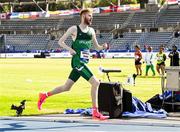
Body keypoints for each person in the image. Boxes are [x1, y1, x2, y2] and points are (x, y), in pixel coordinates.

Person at [37, 8, 109, 120]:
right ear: (83, 16)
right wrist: (69, 49)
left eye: (92, 16)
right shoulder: (74, 29)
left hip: (84, 62)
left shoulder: (92, 31)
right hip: (77, 62)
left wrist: (103, 47)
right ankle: (95, 111)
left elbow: (97, 47)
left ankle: (44, 95)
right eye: (89, 16)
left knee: (66, 87)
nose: (91, 18)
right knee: (95, 83)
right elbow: (60, 41)